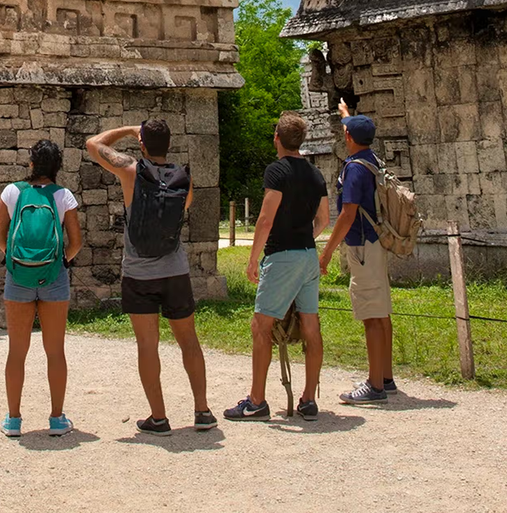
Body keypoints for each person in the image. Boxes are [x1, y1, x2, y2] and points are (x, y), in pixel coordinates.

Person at [86, 118, 217, 434]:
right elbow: (184, 207)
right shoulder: (182, 178)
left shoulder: (131, 170)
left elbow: (94, 145)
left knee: (148, 344)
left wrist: (127, 131)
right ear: (169, 144)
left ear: (143, 144)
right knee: (189, 341)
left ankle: (159, 417)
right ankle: (202, 410)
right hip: (175, 270)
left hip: (139, 271)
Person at [224, 111, 329, 423]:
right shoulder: (314, 174)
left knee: (261, 325)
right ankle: (309, 399)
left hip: (282, 255)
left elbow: (266, 218)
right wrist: (304, 237)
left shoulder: (276, 171)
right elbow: (323, 219)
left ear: (277, 139)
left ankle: (257, 400)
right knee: (311, 325)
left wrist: (253, 258)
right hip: (308, 254)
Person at [0, 139, 82, 438]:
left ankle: (14, 419)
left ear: (31, 163)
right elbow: (76, 243)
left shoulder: (13, 191)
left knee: (17, 351)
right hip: (54, 277)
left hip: (18, 276)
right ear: (57, 167)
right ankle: (57, 419)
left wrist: (16, 262)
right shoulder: (64, 196)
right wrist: (58, 262)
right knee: (55, 351)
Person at [319, 105, 395, 404]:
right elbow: (355, 128)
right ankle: (385, 377)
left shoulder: (353, 169)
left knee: (371, 315)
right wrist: (347, 114)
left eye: (345, 130)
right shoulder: (371, 160)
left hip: (362, 245)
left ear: (348, 137)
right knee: (381, 309)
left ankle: (374, 386)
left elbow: (347, 214)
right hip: (375, 242)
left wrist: (326, 254)